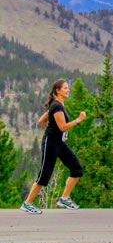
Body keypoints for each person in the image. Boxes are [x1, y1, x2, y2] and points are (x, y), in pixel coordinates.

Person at [20, 79, 86, 214]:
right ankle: (27, 204)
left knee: (77, 169)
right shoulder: (56, 106)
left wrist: (51, 130)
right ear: (58, 90)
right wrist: (78, 120)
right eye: (65, 88)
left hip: (59, 143)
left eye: (68, 88)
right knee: (44, 175)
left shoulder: (58, 104)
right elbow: (62, 127)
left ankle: (64, 198)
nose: (68, 90)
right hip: (51, 144)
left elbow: (42, 121)